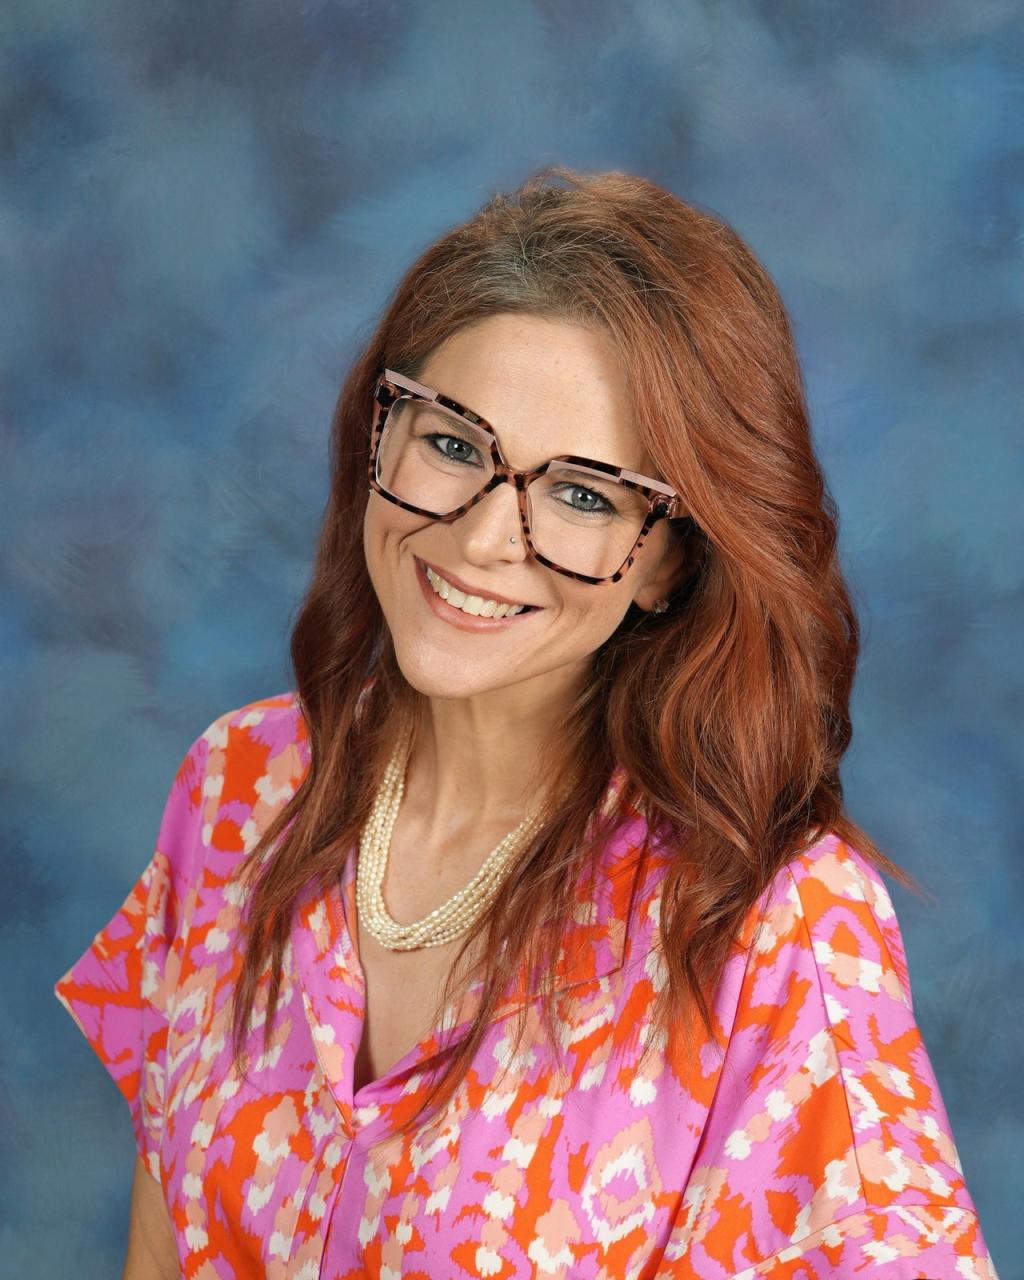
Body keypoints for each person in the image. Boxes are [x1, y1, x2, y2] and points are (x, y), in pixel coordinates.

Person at [54, 166, 999, 1279]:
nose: (482, 537)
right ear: (379, 435)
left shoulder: (776, 924)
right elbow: (164, 1240)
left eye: (585, 494)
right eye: (453, 442)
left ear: (664, 564)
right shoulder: (237, 786)